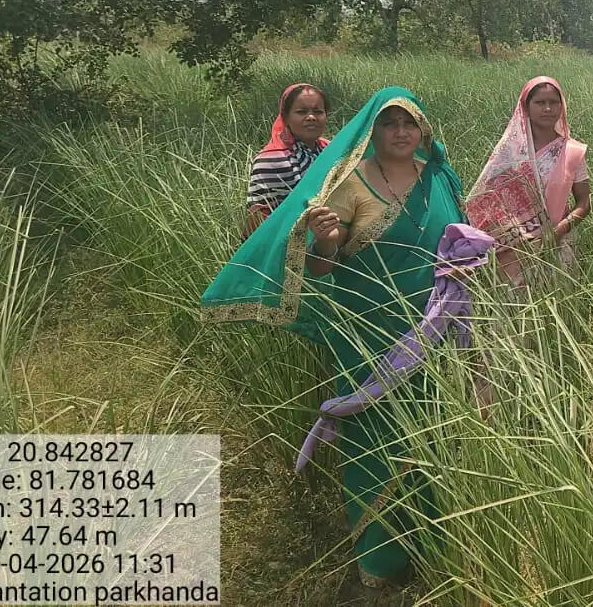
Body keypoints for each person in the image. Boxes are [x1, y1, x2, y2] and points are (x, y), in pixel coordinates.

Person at [201, 87, 472, 589]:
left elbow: (461, 244)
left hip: (432, 331)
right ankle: (381, 560)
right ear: (373, 131)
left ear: (423, 131)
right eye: (389, 124)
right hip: (369, 333)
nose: (400, 133)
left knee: (432, 431)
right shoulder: (350, 185)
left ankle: (431, 542)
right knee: (373, 436)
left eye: (408, 124)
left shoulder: (439, 178)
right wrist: (324, 241)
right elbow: (323, 268)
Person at [465, 77, 591, 292]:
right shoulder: (510, 153)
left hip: (559, 243)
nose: (548, 108)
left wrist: (558, 231)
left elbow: (584, 203)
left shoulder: (572, 152)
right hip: (513, 246)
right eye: (540, 103)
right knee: (516, 310)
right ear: (526, 107)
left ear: (562, 106)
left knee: (559, 305)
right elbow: (487, 198)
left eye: (554, 102)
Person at [244, 83, 329, 235]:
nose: (311, 117)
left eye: (318, 111)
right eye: (301, 112)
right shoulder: (271, 160)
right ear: (285, 117)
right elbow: (259, 221)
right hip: (283, 244)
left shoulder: (331, 151)